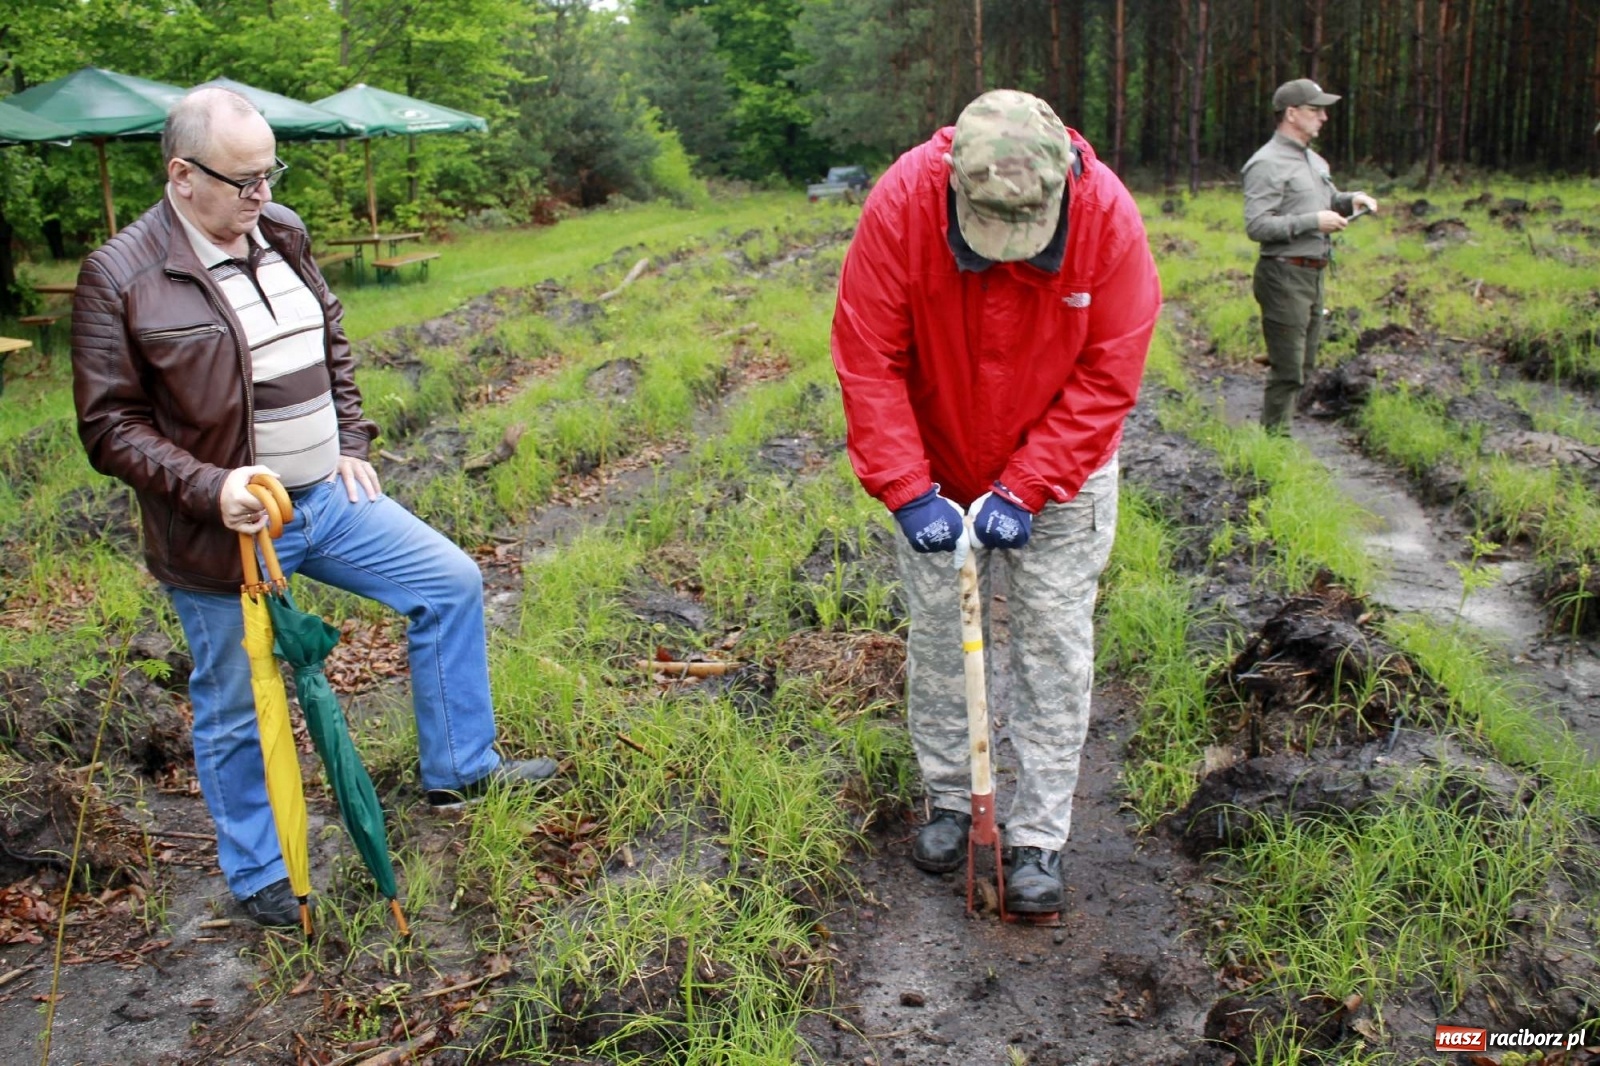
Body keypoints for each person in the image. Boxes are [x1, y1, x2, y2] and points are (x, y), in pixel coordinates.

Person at [69, 87, 556, 928]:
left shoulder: (280, 230)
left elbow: (328, 339)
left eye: (271, 174)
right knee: (237, 698)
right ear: (183, 176)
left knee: (448, 583)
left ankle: (460, 768)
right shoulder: (122, 276)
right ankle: (262, 868)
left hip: (327, 500)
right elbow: (109, 426)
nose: (264, 195)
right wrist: (210, 486)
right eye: (245, 181)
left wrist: (353, 445)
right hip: (229, 528)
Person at [830, 89, 1160, 914]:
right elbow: (868, 356)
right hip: (939, 463)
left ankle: (1039, 834)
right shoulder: (902, 203)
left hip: (1064, 468)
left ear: (1061, 186)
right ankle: (950, 797)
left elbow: (1110, 374)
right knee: (943, 638)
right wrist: (908, 489)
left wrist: (1029, 484)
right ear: (953, 185)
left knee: (1052, 648)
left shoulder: (1107, 217)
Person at [1243, 78, 1380, 435]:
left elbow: (1325, 199)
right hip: (1283, 274)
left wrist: (1351, 200)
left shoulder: (1313, 160)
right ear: (1292, 113)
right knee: (1288, 371)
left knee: (1303, 363)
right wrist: (1312, 222)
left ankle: (1278, 437)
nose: (1323, 117)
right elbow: (1257, 226)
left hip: (1313, 275)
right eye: (1315, 110)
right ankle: (1274, 447)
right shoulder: (1266, 163)